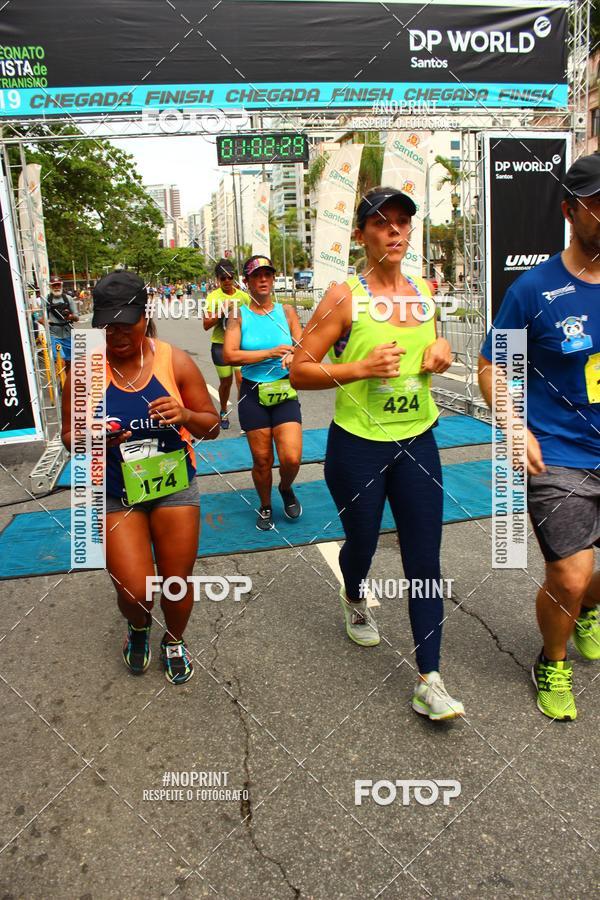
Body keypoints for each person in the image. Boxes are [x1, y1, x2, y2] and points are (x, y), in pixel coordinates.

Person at [290, 187, 464, 721]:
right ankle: (354, 594)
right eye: (382, 223)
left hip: (418, 440)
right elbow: (299, 369)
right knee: (361, 542)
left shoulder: (425, 292)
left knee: (424, 560)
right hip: (357, 448)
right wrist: (359, 368)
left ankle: (429, 679)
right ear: (362, 234)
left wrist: (443, 351)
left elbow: (434, 350)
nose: (395, 231)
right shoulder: (346, 296)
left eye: (403, 223)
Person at [479, 153, 600, 722]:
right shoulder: (533, 290)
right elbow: (493, 366)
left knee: (588, 587)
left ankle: (587, 609)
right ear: (570, 211)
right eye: (599, 203)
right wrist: (514, 422)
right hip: (559, 453)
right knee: (569, 575)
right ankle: (552, 659)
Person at [61, 271, 220, 684]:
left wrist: (185, 415)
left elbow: (212, 425)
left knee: (175, 581)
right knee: (134, 590)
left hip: (173, 486)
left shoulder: (174, 361)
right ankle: (138, 626)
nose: (116, 332)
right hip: (116, 492)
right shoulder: (83, 372)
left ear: (144, 315)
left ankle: (175, 639)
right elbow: (68, 438)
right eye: (107, 324)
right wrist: (95, 437)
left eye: (125, 321)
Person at [224, 255, 303, 531]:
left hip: (284, 389)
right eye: (256, 276)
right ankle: (266, 504)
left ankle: (285, 487)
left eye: (267, 275)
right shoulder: (238, 315)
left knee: (292, 457)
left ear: (273, 279)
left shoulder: (288, 311)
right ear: (246, 282)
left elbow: (304, 346)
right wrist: (268, 353)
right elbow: (230, 354)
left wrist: (294, 354)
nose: (263, 280)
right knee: (262, 460)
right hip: (253, 393)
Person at [203, 259, 250, 430]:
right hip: (220, 345)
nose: (227, 281)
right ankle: (223, 410)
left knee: (241, 380)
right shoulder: (213, 297)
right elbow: (206, 324)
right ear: (218, 279)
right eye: (223, 278)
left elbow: (252, 318)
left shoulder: (243, 296)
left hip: (239, 345)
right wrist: (221, 310)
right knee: (226, 382)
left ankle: (245, 414)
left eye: (230, 277)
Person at [46, 277, 79, 376]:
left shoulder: (68, 299)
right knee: (60, 360)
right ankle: (61, 383)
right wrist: (45, 321)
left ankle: (68, 383)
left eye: (58, 285)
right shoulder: (46, 300)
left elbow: (77, 317)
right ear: (50, 286)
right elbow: (38, 316)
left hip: (68, 334)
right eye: (54, 285)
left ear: (61, 285)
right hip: (54, 336)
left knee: (70, 361)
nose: (56, 287)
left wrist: (70, 316)